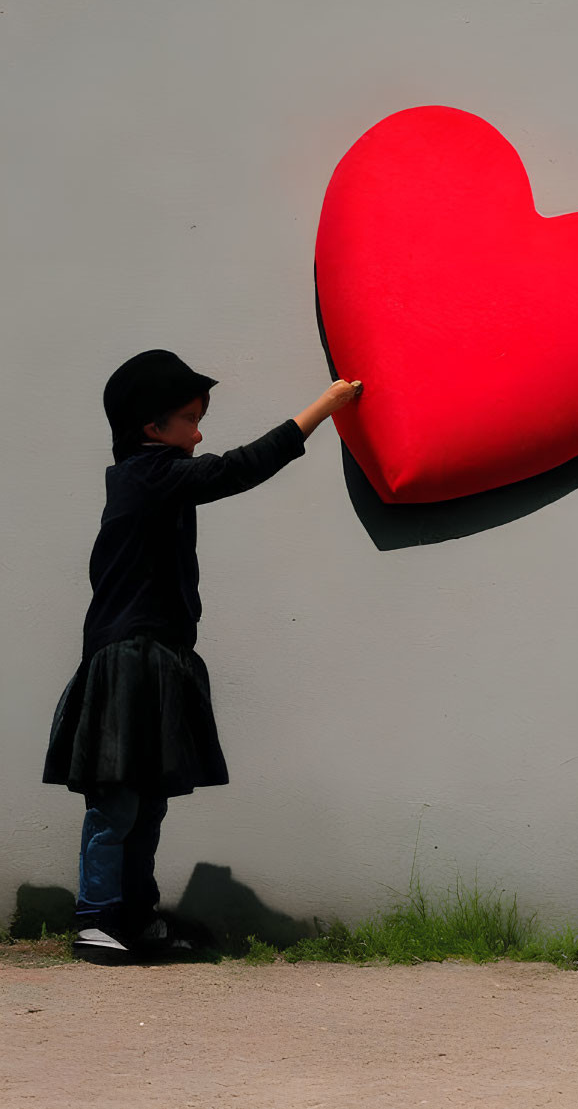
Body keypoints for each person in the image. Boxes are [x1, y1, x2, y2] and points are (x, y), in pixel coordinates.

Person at [43, 349, 362, 962]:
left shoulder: (158, 477)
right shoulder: (146, 475)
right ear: (150, 429)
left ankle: (133, 915)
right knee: (118, 801)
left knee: (150, 801)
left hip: (159, 655)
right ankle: (95, 920)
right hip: (127, 657)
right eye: (189, 419)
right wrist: (322, 409)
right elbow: (235, 470)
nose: (199, 431)